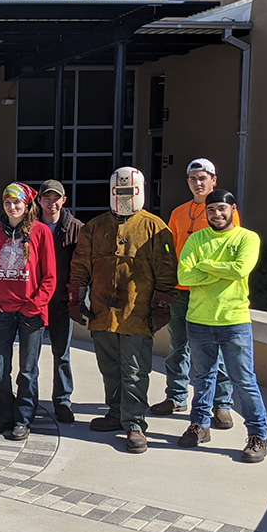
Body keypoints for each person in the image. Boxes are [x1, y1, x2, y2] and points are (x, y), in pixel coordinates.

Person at [69, 167, 177, 454]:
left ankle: (135, 423)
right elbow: (80, 267)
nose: (124, 197)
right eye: (119, 192)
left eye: (129, 192)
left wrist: (161, 307)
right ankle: (116, 412)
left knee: (135, 370)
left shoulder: (156, 228)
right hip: (102, 313)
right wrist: (77, 300)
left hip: (137, 314)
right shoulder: (93, 227)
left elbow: (167, 273)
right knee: (110, 367)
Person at [176, 189, 267, 462]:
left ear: (232, 210)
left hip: (234, 321)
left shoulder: (246, 238)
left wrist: (204, 266)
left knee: (244, 380)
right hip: (199, 320)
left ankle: (257, 435)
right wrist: (220, 270)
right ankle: (200, 425)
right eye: (211, 210)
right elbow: (184, 274)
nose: (216, 214)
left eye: (221, 209)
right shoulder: (197, 238)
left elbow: (240, 269)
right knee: (202, 377)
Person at [152, 158, 240, 429]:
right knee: (178, 346)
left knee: (216, 351)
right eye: (193, 179)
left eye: (203, 178)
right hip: (180, 291)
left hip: (211, 293)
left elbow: (229, 252)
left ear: (214, 179)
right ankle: (177, 396)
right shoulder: (178, 212)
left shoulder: (223, 211)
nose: (198, 183)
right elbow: (171, 252)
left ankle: (221, 405)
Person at [0, 182, 56, 440]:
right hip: (2, 310)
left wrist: (34, 306)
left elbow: (49, 277)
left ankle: (23, 419)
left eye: (17, 202)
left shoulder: (41, 232)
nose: (12, 207)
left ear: (27, 205)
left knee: (27, 369)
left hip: (31, 313)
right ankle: (4, 415)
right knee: (0, 369)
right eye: (7, 202)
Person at [36, 180, 82, 424]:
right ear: (39, 200)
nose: (51, 203)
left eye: (56, 198)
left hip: (61, 302)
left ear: (64, 200)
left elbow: (82, 268)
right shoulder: (29, 226)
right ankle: (28, 399)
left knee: (61, 353)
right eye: (47, 198)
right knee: (29, 355)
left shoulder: (76, 229)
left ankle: (62, 400)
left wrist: (77, 299)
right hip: (34, 302)